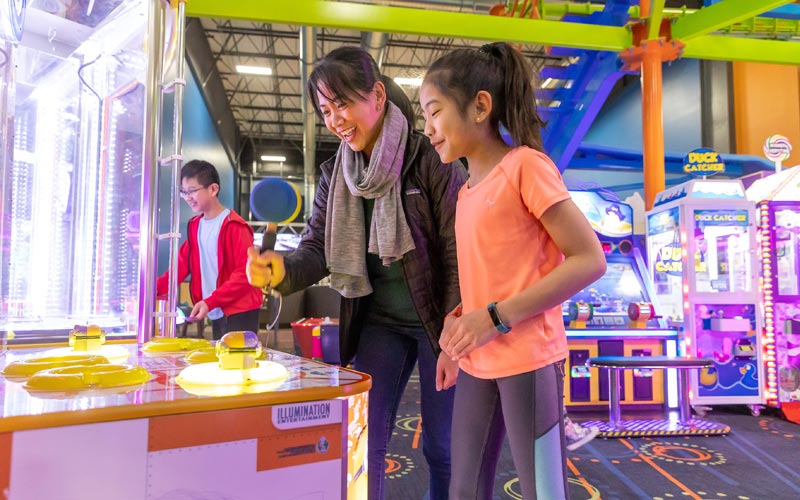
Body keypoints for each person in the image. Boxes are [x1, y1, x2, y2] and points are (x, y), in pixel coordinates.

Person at [247, 47, 467, 500]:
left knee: (443, 446)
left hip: (439, 322)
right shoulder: (336, 174)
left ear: (378, 96)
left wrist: (457, 332)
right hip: (378, 321)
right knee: (363, 435)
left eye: (343, 103)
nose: (334, 120)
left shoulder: (429, 157)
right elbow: (317, 250)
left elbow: (459, 249)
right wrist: (281, 269)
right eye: (325, 110)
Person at [419, 42, 607, 499]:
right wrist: (458, 336)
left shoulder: (526, 167)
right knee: (463, 489)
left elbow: (589, 259)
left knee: (542, 490)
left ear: (480, 106)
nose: (427, 129)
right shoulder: (464, 192)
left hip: (528, 359)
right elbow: (488, 278)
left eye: (435, 112)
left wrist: (496, 317)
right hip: (478, 362)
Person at [156, 160, 262, 340]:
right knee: (220, 362)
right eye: (183, 192)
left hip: (240, 311)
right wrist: (150, 290)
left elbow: (245, 274)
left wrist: (210, 301)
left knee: (238, 365)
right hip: (216, 310)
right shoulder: (195, 226)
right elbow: (180, 266)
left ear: (213, 189)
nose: (187, 197)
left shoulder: (235, 226)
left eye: (192, 191)